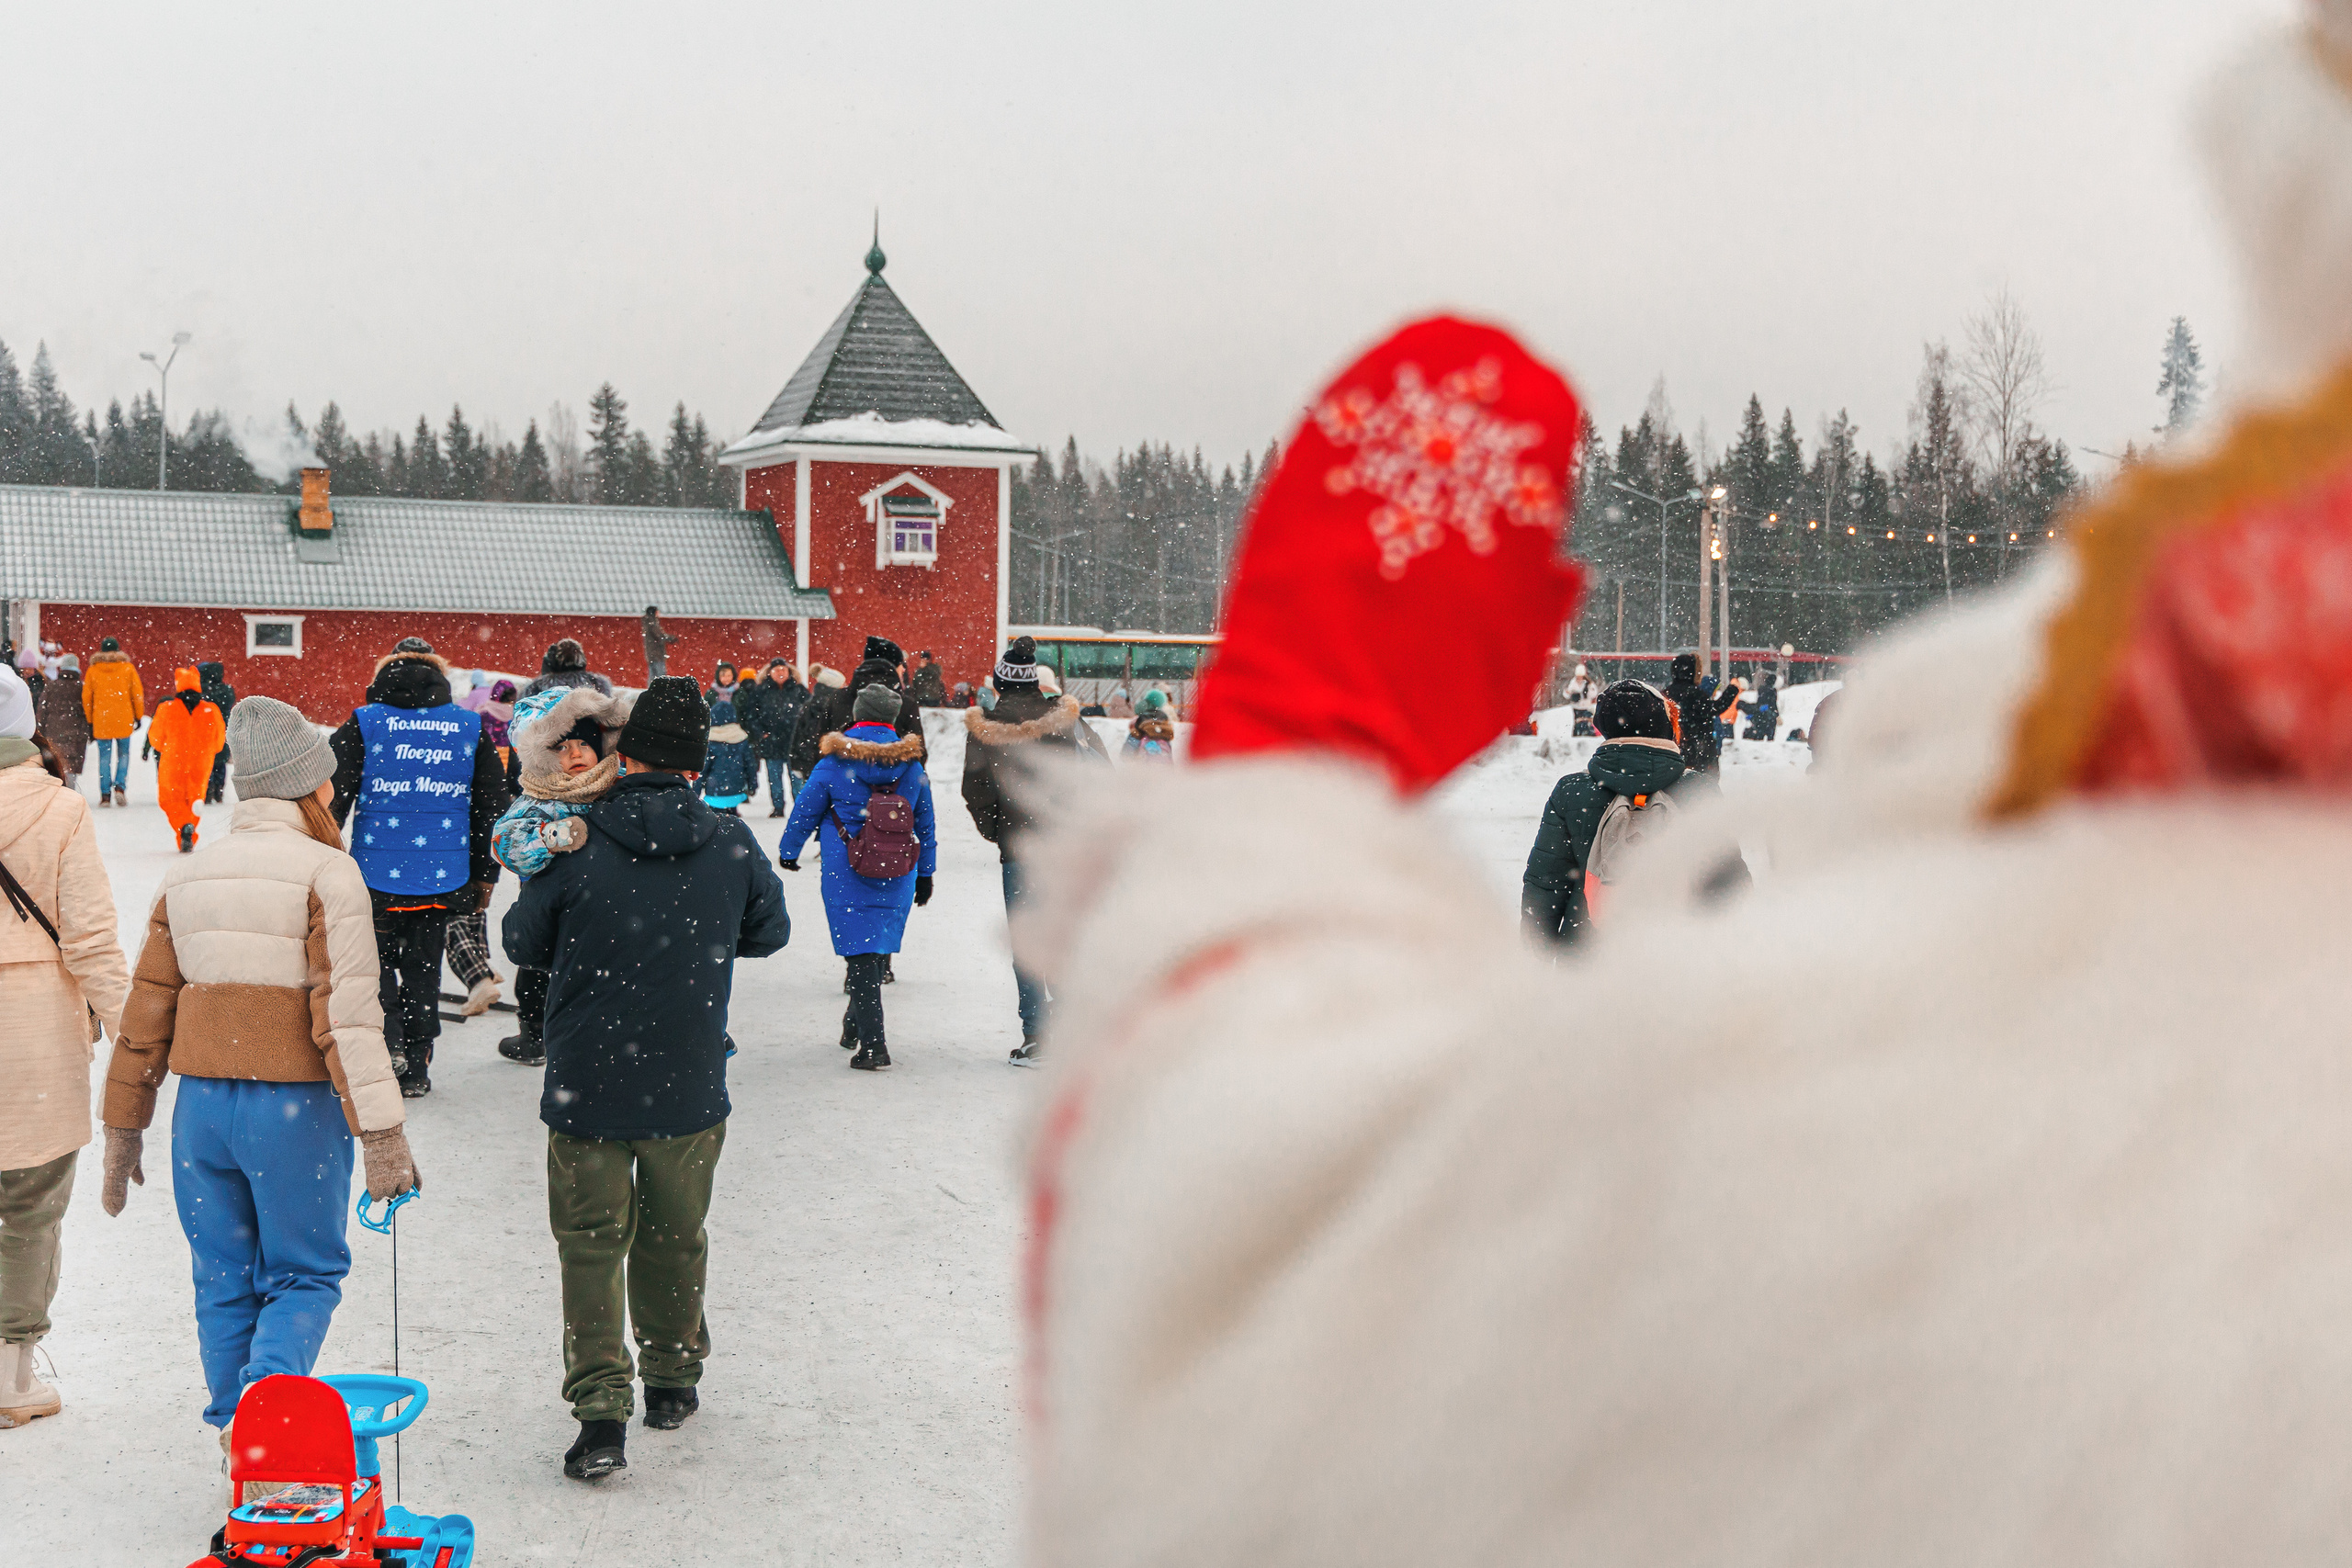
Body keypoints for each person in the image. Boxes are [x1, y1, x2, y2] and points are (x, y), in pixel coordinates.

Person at [100, 696, 416, 1451]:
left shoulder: (190, 874)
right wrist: (381, 1132)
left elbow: (146, 1011)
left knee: (222, 1277)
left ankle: (233, 1432)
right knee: (303, 1275)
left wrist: (122, 1129)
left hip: (201, 1113)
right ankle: (264, 1429)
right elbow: (348, 1016)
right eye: (328, 782)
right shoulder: (329, 874)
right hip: (294, 1114)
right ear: (306, 786)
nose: (337, 794)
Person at [502, 675, 789, 1481]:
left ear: (624, 751)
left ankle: (600, 1415)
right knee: (674, 1237)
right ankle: (670, 1379)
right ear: (697, 761)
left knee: (591, 1247)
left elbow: (523, 939)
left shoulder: (577, 837)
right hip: (689, 1081)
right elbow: (771, 931)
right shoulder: (730, 841)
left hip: (586, 1083)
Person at [0, 664, 130, 1430]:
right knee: (26, 1206)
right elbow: (89, 939)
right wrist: (134, 1035)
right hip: (33, 1041)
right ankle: (11, 1375)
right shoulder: (60, 811)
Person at [329, 637, 507, 1098]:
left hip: (374, 874)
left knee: (374, 966)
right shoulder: (468, 727)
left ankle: (389, 1043)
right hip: (440, 873)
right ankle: (418, 1058)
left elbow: (333, 795)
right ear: (439, 676)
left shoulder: (363, 724)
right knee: (424, 966)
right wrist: (485, 872)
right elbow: (491, 806)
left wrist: (321, 856)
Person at [778, 683, 936, 1070]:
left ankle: (873, 1045)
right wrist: (926, 873)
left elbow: (806, 810)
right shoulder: (913, 766)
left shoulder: (834, 761)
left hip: (846, 863)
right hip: (899, 866)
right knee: (872, 946)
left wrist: (789, 851)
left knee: (859, 950)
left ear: (857, 713)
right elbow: (927, 824)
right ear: (892, 719)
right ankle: (854, 1025)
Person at [963, 637, 1102, 1064]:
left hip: (1018, 850)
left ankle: (1037, 1036)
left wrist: (997, 829)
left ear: (1002, 682)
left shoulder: (986, 728)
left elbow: (976, 789)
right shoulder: (1060, 722)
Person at [486, 685, 633, 1066]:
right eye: (561, 748)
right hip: (550, 913)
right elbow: (507, 843)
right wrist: (548, 838)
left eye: (583, 745)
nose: (576, 754)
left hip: (608, 911)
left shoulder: (616, 787)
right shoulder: (537, 798)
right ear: (540, 756)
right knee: (539, 971)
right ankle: (534, 1033)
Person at [1520, 681, 1698, 946]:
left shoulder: (1572, 791)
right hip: (1676, 957)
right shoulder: (1696, 790)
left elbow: (1545, 885)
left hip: (1588, 955)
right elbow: (1727, 883)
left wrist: (1538, 962)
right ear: (1664, 725)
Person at [148, 668, 228, 854]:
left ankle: (184, 826)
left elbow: (156, 739)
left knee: (169, 799)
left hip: (173, 762)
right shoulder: (211, 710)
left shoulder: (167, 708)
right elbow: (219, 742)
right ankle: (188, 831)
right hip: (201, 764)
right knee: (195, 801)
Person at [81, 636, 143, 807]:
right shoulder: (128, 669)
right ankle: (120, 788)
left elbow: (87, 697)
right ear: (118, 650)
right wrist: (138, 715)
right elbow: (137, 694)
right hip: (123, 718)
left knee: (104, 758)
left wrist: (90, 719)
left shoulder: (93, 670)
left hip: (102, 719)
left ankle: (105, 795)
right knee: (123, 755)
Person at [741, 659, 808, 818]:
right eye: (777, 670)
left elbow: (809, 713)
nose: (780, 673)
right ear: (770, 673)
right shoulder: (761, 691)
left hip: (794, 743)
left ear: (789, 672)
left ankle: (800, 809)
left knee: (797, 779)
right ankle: (778, 807)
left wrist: (803, 733)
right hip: (771, 743)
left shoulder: (799, 690)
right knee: (774, 778)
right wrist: (760, 733)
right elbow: (750, 715)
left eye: (783, 670)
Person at [1661, 652, 1741, 777]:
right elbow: (1715, 708)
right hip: (1699, 753)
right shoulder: (1695, 694)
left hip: (1673, 753)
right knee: (1705, 791)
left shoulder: (1665, 694)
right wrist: (1732, 690)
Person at [786, 663, 850, 784]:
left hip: (810, 761)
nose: (845, 686)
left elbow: (799, 734)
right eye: (842, 684)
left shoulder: (810, 704)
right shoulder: (839, 706)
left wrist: (796, 760)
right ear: (834, 686)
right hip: (833, 761)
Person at [700, 676, 755, 815]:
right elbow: (750, 764)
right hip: (736, 788)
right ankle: (733, 813)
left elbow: (704, 767)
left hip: (714, 790)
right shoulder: (741, 737)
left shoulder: (711, 739)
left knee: (716, 814)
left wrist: (696, 788)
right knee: (731, 811)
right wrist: (752, 784)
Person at [37, 655, 88, 785]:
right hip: (75, 735)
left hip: (52, 734)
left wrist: (40, 733)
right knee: (70, 769)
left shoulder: (51, 686)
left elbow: (41, 712)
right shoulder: (81, 688)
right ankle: (69, 798)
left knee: (54, 768)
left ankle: (56, 797)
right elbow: (87, 712)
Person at [198, 660, 238, 804]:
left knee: (207, 760)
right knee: (221, 760)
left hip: (205, 728)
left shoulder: (203, 690)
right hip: (223, 727)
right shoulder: (226, 690)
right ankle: (219, 789)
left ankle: (208, 788)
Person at [1123, 691, 1178, 763]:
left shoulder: (1141, 719)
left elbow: (1127, 752)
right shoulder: (1164, 723)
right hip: (1162, 768)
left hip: (1143, 768)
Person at [640, 606, 679, 683]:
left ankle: (651, 690)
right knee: (660, 675)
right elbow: (659, 636)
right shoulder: (652, 623)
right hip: (657, 654)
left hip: (651, 654)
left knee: (653, 675)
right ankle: (661, 689)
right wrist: (671, 638)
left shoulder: (647, 623)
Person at [1561, 661, 1600, 736]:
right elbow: (1567, 695)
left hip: (1586, 706)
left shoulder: (1589, 684)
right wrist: (1569, 693)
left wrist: (1587, 692)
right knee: (1577, 722)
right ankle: (1577, 735)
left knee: (1586, 722)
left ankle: (1587, 734)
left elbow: (1594, 694)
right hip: (1576, 706)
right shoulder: (1573, 683)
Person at [1743, 670, 1782, 741]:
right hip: (1769, 717)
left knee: (1759, 736)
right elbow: (1773, 704)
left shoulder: (1761, 689)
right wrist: (1777, 715)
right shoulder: (1772, 691)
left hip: (1760, 716)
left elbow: (1759, 703)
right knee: (1770, 737)